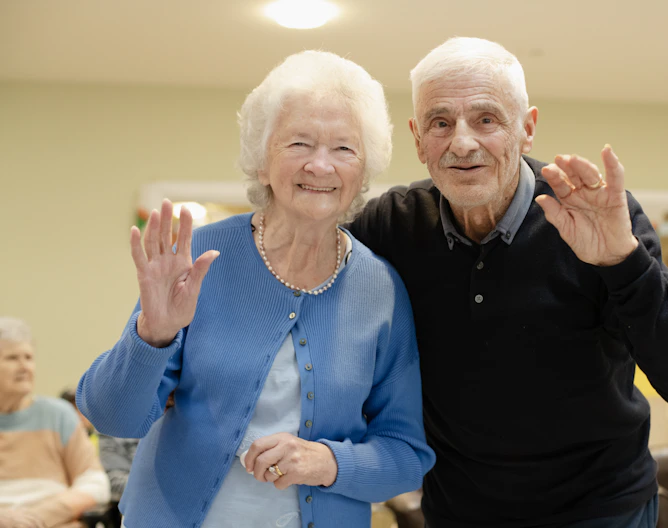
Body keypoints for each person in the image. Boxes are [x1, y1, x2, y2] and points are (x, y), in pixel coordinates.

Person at [347, 37, 668, 528]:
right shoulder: (393, 224)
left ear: (527, 129)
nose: (462, 143)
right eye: (441, 122)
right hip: (459, 512)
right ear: (419, 138)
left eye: (486, 119)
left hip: (601, 510)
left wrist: (622, 262)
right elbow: (301, 266)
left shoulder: (596, 214)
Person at [76, 50, 435, 528]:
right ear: (261, 162)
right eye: (299, 144)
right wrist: (152, 335)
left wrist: (326, 462)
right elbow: (112, 417)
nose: (321, 166)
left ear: (362, 173)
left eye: (344, 149)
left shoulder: (381, 288)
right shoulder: (203, 257)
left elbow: (406, 454)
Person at [0, 317, 110, 528]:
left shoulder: (58, 415)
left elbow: (95, 482)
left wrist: (40, 516)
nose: (24, 367)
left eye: (29, 357)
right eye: (12, 358)